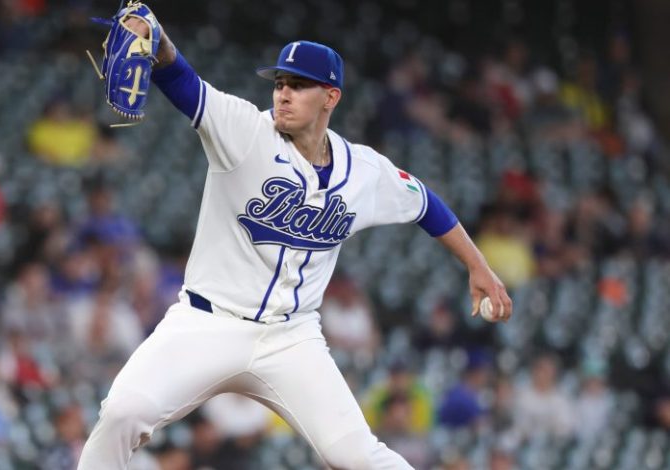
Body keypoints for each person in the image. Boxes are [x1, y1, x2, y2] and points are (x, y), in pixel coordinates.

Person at [78, 7, 513, 469]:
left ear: (331, 97)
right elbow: (181, 79)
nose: (283, 93)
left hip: (292, 337)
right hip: (208, 322)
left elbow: (426, 204)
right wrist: (160, 39)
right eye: (279, 83)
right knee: (123, 413)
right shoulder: (244, 130)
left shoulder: (364, 170)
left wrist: (477, 265)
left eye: (299, 85)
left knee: (356, 455)